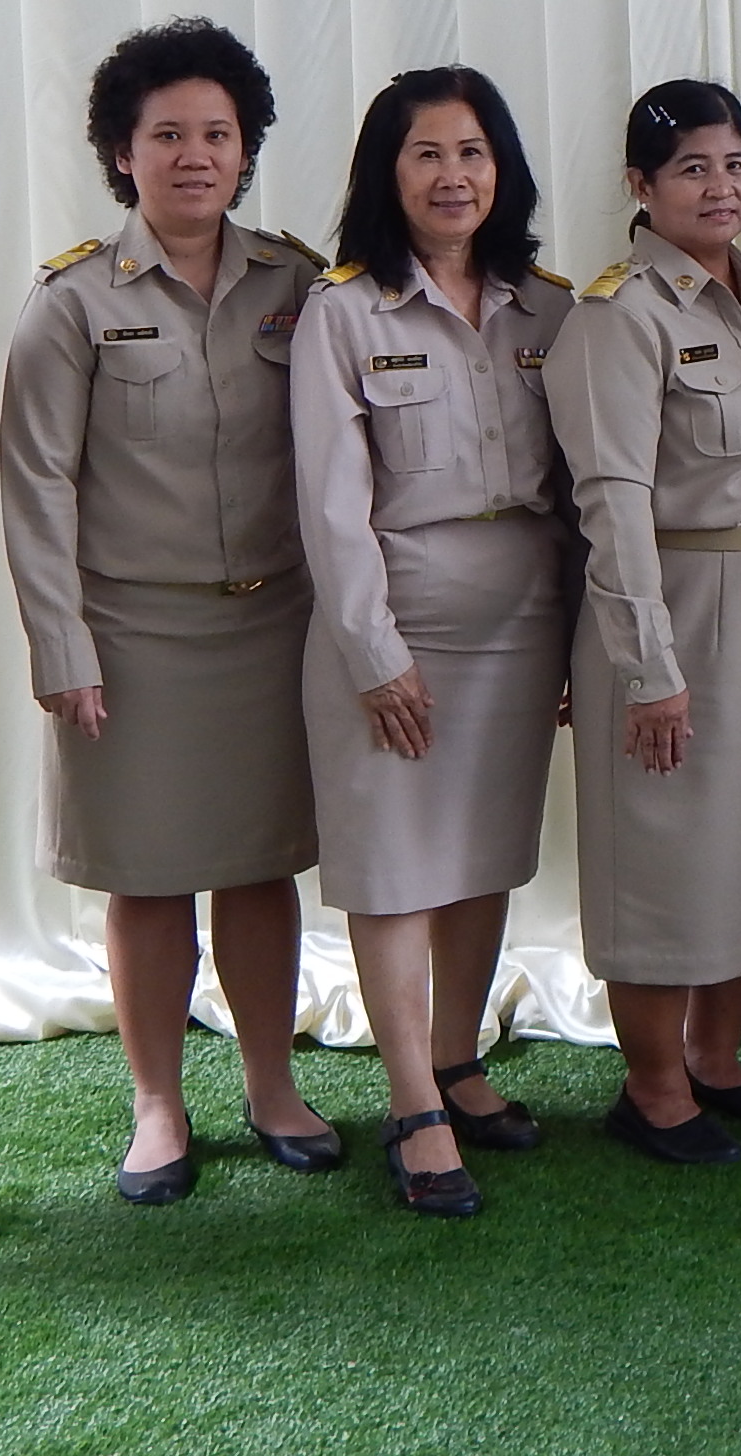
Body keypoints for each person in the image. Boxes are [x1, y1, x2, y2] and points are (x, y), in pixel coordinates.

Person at [0, 18, 337, 1206]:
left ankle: (271, 1085)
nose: (196, 156)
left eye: (218, 134)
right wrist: (61, 645)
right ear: (121, 151)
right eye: (168, 135)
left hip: (274, 626)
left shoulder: (299, 284)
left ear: (246, 150)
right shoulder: (72, 300)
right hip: (131, 636)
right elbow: (36, 485)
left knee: (259, 867)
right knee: (145, 877)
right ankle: (157, 1103)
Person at [291, 67, 579, 1218]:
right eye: (427, 154)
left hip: (523, 619)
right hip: (399, 618)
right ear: (388, 172)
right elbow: (330, 505)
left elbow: (581, 488)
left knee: (481, 854)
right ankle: (413, 1104)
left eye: (473, 152)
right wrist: (374, 654)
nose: (453, 175)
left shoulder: (545, 307)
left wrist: (580, 635)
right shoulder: (344, 311)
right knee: (397, 866)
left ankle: (459, 1061)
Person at [543, 81, 741, 1165]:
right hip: (672, 605)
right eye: (692, 168)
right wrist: (647, 667)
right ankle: (653, 1086)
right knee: (661, 848)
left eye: (735, 164)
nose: (720, 187)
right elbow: (611, 503)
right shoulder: (618, 316)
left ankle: (718, 1055)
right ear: (641, 186)